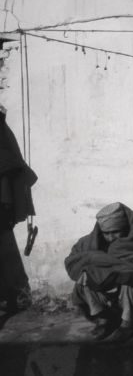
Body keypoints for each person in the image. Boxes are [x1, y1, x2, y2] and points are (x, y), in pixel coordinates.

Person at [64, 202, 133, 342]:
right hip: (104, 293)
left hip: (131, 295)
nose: (111, 237)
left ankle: (127, 324)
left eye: (115, 232)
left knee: (131, 277)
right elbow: (73, 261)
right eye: (106, 233)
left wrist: (129, 270)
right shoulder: (89, 243)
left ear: (125, 227)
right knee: (84, 277)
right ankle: (103, 319)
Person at [0, 104, 36, 313]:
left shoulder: (3, 140)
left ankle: (17, 297)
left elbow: (9, 169)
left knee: (7, 253)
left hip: (2, 211)